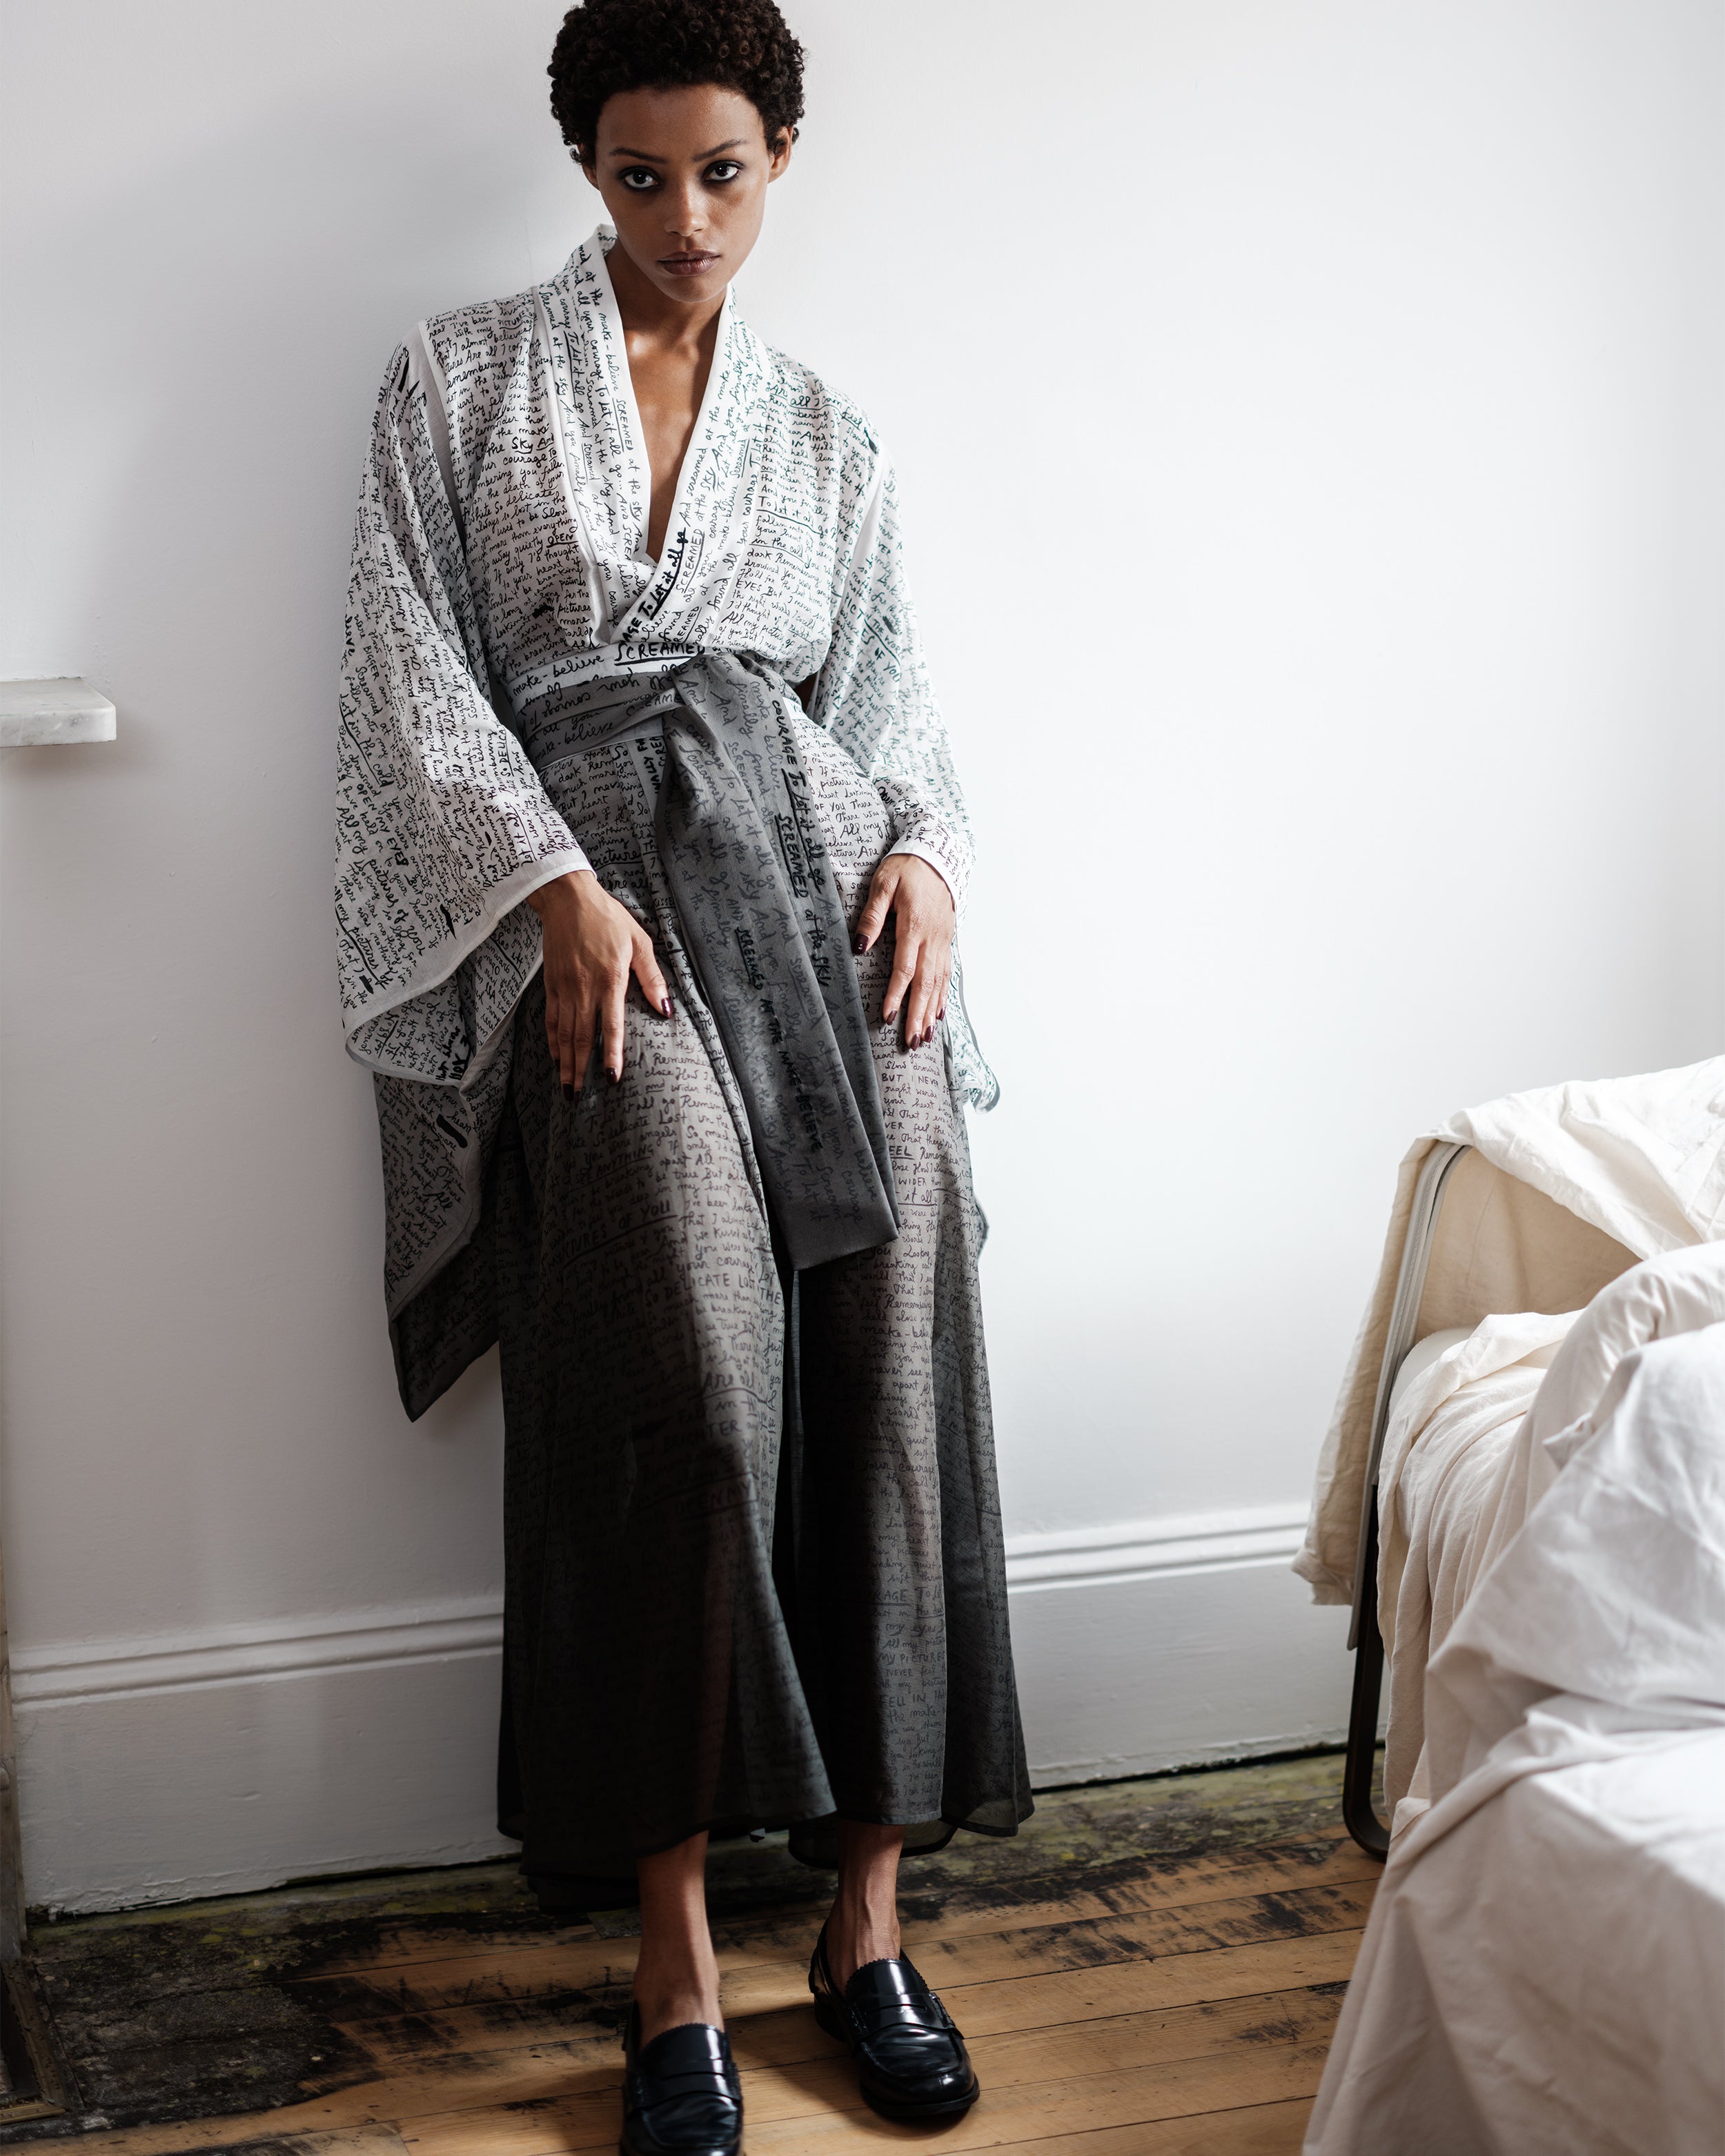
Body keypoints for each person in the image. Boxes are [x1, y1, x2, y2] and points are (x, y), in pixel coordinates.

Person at [335, 2, 1030, 2146]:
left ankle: (871, 1921)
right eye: (640, 175)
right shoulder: (455, 381)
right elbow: (402, 670)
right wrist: (545, 885)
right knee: (686, 1390)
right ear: (587, 171)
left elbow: (896, 691)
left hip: (827, 913)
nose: (682, 218)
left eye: (721, 170)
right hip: (598, 924)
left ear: (782, 156)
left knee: (894, 1353)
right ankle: (671, 1960)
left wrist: (921, 852)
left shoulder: (826, 436)